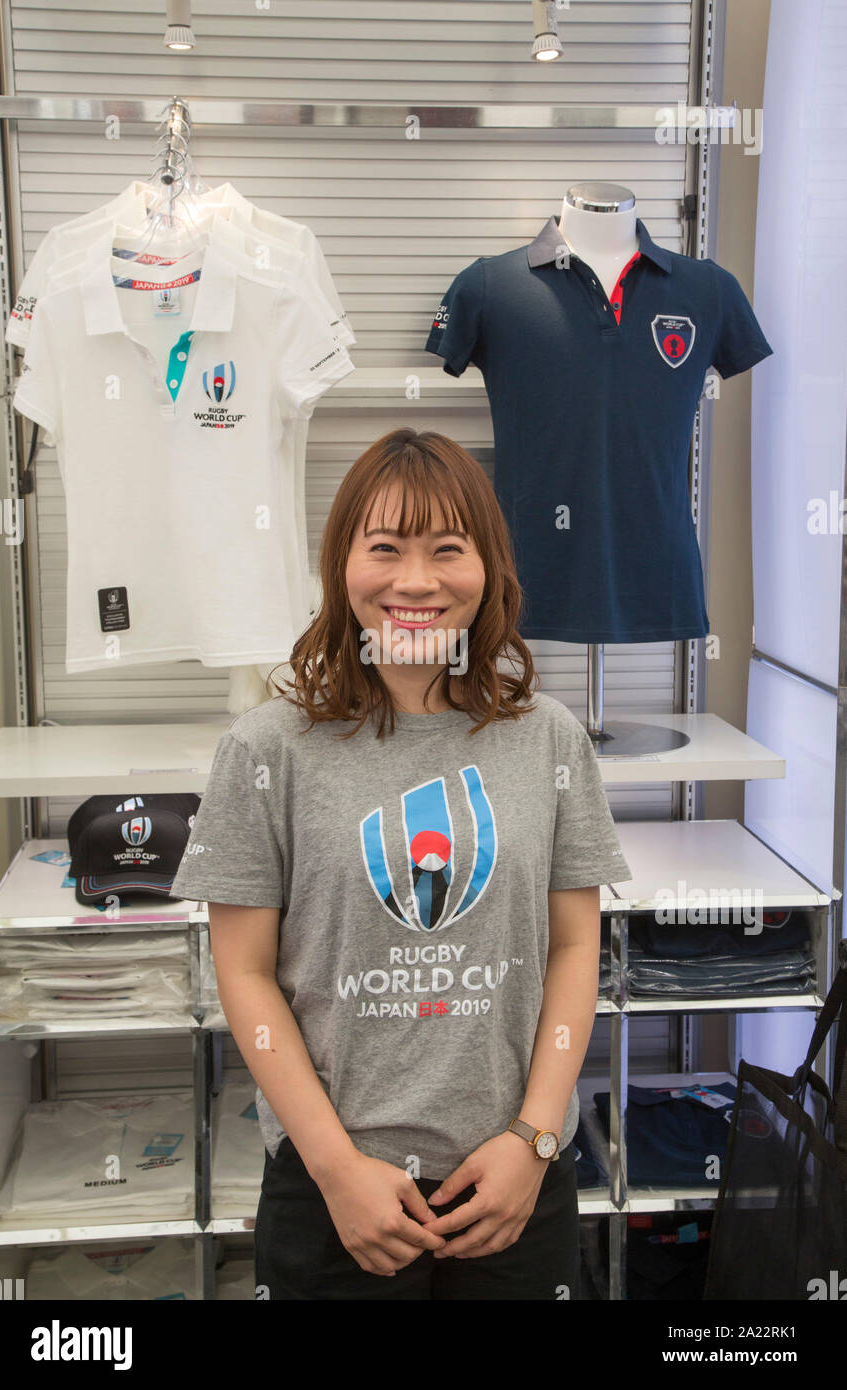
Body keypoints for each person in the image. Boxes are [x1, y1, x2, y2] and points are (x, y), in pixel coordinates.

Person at [171, 427, 632, 1300]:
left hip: (513, 1183)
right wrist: (337, 1169)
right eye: (384, 548)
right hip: (334, 1191)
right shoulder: (269, 747)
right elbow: (243, 972)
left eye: (446, 551)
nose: (414, 582)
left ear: (488, 566)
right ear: (342, 565)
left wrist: (534, 1143)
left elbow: (575, 950)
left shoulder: (549, 740)